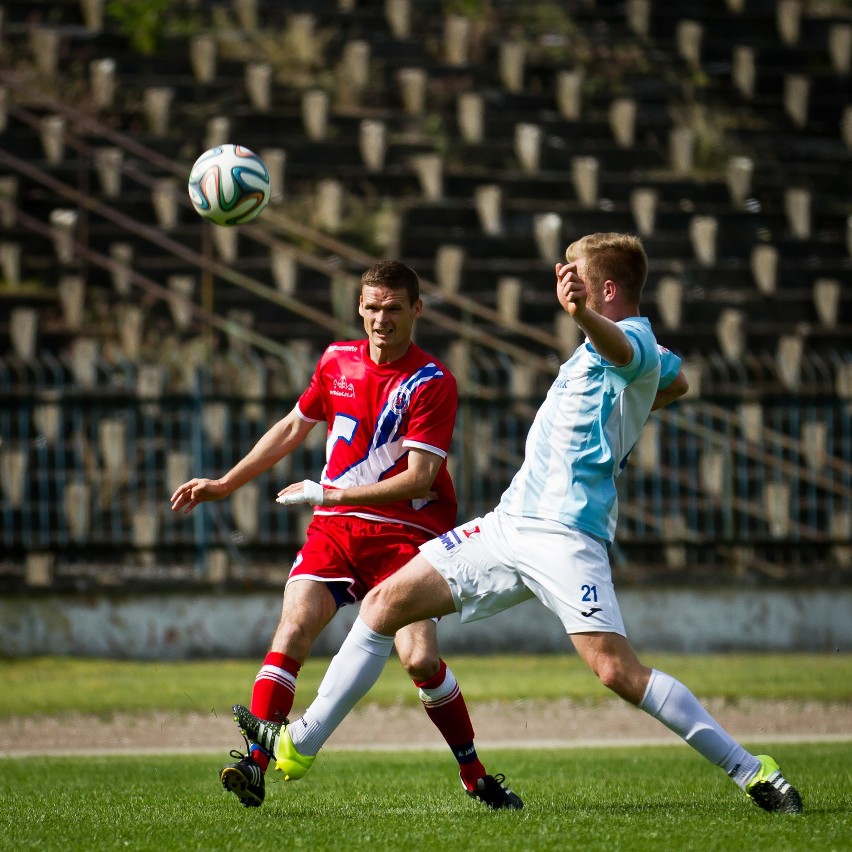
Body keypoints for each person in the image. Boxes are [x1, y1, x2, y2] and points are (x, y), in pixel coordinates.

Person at [232, 233, 803, 815]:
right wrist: (630, 402)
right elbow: (676, 381)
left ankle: (752, 769)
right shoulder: (619, 355)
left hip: (565, 535)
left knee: (615, 671)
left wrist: (582, 317)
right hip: (508, 524)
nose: (566, 281)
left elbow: (635, 359)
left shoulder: (628, 339)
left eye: (577, 276)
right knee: (384, 605)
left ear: (605, 289)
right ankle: (299, 745)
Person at [170, 260, 522, 810]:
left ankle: (474, 773)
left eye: (394, 308)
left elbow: (420, 479)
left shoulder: (432, 382)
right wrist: (225, 483)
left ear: (416, 311)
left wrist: (329, 493)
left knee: (420, 659)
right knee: (292, 630)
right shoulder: (335, 360)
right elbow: (292, 427)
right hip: (335, 532)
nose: (381, 320)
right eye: (372, 307)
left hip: (407, 535)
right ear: (359, 306)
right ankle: (257, 765)